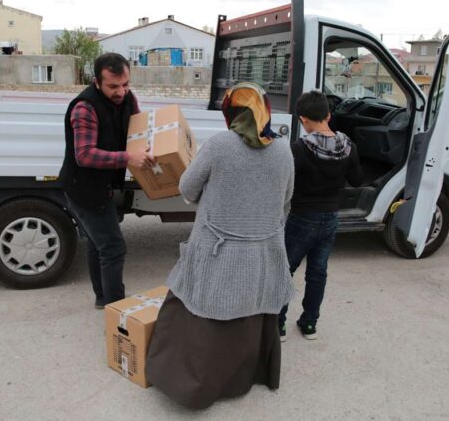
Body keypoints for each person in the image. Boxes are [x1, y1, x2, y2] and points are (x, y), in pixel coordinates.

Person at [145, 82, 295, 410]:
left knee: (201, 310)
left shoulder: (218, 146)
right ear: (265, 110)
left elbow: (187, 188)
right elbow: (286, 200)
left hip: (218, 251)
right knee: (253, 310)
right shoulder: (283, 150)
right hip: (263, 252)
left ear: (231, 112)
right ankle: (248, 376)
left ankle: (195, 387)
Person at [59, 53, 154, 308]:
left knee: (97, 243)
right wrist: (129, 157)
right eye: (113, 86)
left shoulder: (128, 98)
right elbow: (84, 155)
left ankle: (103, 299)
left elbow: (137, 130)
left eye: (125, 84)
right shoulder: (85, 108)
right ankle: (117, 308)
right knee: (113, 247)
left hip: (103, 186)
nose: (121, 92)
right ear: (97, 82)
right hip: (84, 190)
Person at [279, 90, 364, 341]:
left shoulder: (298, 149)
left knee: (285, 270)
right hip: (330, 218)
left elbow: (284, 184)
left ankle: (278, 325)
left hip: (302, 218)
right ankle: (309, 324)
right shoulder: (348, 146)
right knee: (318, 272)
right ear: (328, 115)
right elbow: (357, 180)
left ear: (303, 119)